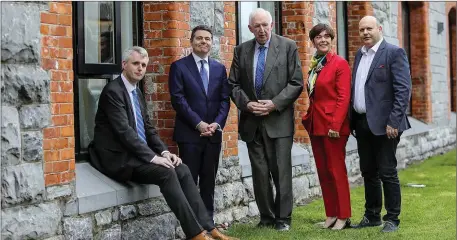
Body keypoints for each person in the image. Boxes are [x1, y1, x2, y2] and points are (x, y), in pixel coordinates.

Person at [88, 46, 238, 240]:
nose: (140, 68)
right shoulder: (113, 92)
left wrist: (164, 153)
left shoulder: (136, 92)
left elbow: (148, 128)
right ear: (124, 65)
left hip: (137, 155)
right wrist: (153, 158)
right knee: (166, 172)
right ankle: (196, 234)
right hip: (119, 159)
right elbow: (125, 133)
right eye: (135, 63)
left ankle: (210, 228)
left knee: (182, 169)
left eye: (143, 65)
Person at [228, 8, 304, 231]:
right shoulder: (241, 50)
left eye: (265, 25)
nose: (261, 30)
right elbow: (233, 84)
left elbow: (296, 82)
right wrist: (246, 104)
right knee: (260, 173)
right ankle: (266, 217)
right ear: (250, 28)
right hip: (252, 122)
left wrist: (274, 104)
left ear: (272, 25)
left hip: (278, 120)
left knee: (281, 172)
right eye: (257, 26)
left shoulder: (288, 47)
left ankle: (283, 219)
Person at [350, 16, 412, 233]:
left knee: (387, 171)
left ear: (379, 29)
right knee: (368, 171)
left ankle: (392, 219)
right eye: (361, 30)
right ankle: (372, 215)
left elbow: (403, 90)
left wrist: (394, 121)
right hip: (362, 122)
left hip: (387, 125)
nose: (365, 33)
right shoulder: (360, 54)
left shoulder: (394, 53)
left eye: (369, 28)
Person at [169, 25, 231, 222]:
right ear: (191, 41)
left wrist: (216, 124)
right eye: (199, 38)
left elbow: (224, 100)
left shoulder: (219, 68)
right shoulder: (179, 67)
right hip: (189, 135)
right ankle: (191, 226)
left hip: (213, 135)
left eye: (207, 39)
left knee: (208, 182)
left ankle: (208, 224)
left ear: (212, 43)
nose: (204, 42)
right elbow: (178, 99)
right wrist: (199, 124)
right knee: (189, 182)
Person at [301, 23, 352, 230]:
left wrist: (335, 124)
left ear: (332, 39)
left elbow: (343, 97)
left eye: (326, 36)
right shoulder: (316, 64)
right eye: (318, 37)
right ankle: (330, 214)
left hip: (333, 127)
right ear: (312, 41)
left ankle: (343, 216)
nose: (323, 40)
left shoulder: (340, 64)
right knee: (323, 171)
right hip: (316, 125)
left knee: (336, 171)